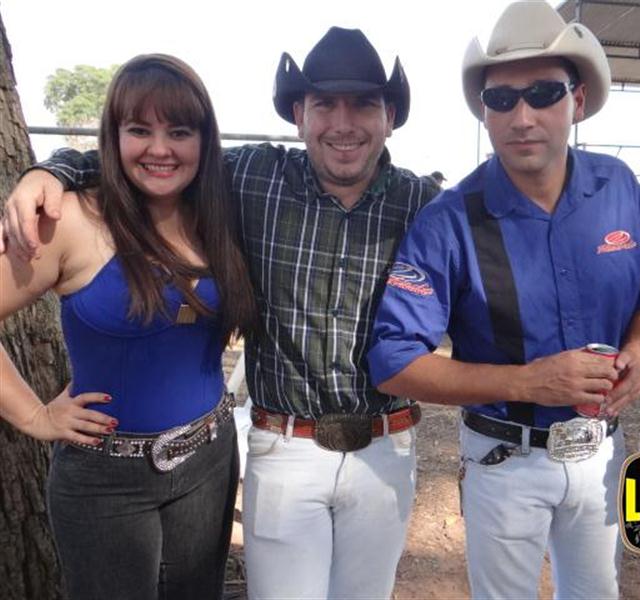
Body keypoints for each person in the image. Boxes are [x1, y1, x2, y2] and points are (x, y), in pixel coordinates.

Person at [1, 28, 439, 600]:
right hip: (166, 466)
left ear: (390, 117)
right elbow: (135, 158)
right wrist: (49, 170)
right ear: (299, 115)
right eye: (325, 103)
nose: (343, 122)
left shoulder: (417, 204)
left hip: (236, 460)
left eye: (363, 103)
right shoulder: (245, 181)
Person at [367, 2, 640, 598]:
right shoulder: (449, 221)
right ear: (484, 112)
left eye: (543, 93)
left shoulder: (619, 187)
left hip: (600, 452)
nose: (523, 116)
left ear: (577, 100)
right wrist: (530, 382)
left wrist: (639, 351)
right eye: (502, 99)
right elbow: (394, 361)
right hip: (504, 461)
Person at [0, 54, 257, 600]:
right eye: (139, 130)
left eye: (179, 132)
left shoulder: (220, 213)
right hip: (104, 481)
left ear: (204, 140)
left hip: (211, 461)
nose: (160, 149)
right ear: (113, 136)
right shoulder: (70, 221)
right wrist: (34, 415)